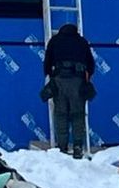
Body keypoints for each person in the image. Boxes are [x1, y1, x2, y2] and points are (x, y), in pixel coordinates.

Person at [40, 22, 95, 159]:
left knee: (61, 114)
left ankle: (62, 146)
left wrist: (49, 75)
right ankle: (77, 146)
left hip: (59, 81)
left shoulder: (55, 40)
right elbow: (91, 64)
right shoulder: (82, 42)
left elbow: (47, 63)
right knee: (78, 115)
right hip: (77, 81)